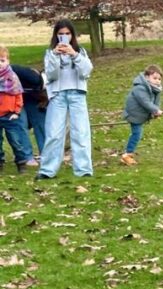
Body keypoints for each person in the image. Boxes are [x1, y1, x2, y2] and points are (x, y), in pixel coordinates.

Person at [36, 19, 94, 180]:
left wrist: (73, 54)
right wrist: (55, 55)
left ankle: (83, 169)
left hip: (77, 94)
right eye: (61, 34)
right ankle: (47, 170)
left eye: (67, 34)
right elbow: (51, 75)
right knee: (54, 133)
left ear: (72, 35)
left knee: (81, 132)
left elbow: (86, 71)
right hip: (58, 95)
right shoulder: (50, 53)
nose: (64, 37)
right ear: (56, 35)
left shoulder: (80, 51)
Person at [0, 45, 37, 174]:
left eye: (2, 60)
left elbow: (18, 95)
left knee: (16, 140)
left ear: (8, 61)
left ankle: (21, 163)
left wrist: (16, 112)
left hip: (10, 115)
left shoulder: (12, 78)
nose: (0, 64)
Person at [121, 64, 163, 166]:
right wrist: (155, 110)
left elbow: (155, 102)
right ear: (147, 77)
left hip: (141, 115)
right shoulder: (140, 88)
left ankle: (128, 154)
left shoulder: (155, 89)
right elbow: (145, 102)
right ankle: (127, 155)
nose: (157, 81)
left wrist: (155, 112)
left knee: (137, 134)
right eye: (155, 78)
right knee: (137, 134)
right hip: (134, 114)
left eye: (159, 79)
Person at [12, 64, 48, 155]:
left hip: (30, 97)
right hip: (15, 97)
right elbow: (13, 68)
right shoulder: (33, 78)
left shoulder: (43, 88)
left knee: (40, 122)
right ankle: (26, 156)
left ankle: (46, 153)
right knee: (21, 124)